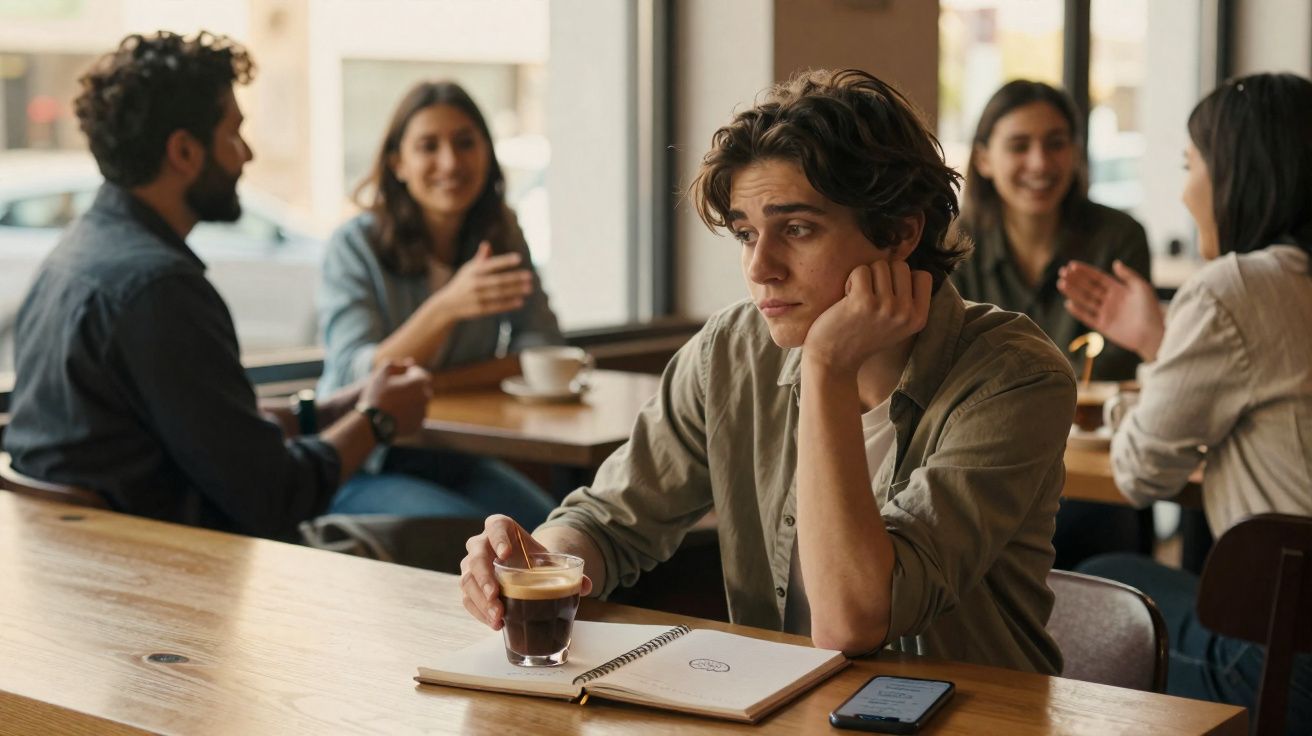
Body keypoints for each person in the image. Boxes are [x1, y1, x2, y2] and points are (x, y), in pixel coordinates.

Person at [459, 69, 1078, 674]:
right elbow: (608, 521)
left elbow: (852, 619)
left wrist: (828, 368)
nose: (760, 268)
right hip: (786, 714)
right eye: (746, 234)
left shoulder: (1014, 378)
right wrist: (541, 559)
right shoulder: (731, 348)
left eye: (798, 229)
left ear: (898, 232)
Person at [2, 31, 432, 540]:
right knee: (463, 543)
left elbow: (205, 433)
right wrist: (377, 419)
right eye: (234, 133)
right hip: (185, 577)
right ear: (184, 151)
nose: (246, 154)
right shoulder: (160, 289)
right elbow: (276, 497)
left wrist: (331, 410)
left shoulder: (76, 255)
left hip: (93, 573)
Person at [1059, 73, 1312, 732]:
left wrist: (1156, 354)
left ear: (1239, 172)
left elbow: (1141, 473)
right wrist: (1158, 340)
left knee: (1085, 589)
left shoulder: (1237, 287)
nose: (1182, 189)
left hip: (1289, 665)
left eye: (1188, 164)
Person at [316, 81, 559, 527]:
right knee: (476, 537)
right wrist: (447, 306)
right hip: (363, 464)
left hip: (457, 457)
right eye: (428, 146)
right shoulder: (354, 245)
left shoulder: (500, 233)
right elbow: (359, 376)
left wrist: (431, 385)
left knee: (556, 533)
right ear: (398, 163)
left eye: (465, 143)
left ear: (487, 154)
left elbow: (539, 351)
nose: (450, 162)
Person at [951, 80, 1153, 570]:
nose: (1041, 163)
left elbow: (1130, 379)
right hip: (983, 460)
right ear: (983, 158)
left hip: (1095, 480)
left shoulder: (1117, 238)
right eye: (1019, 145)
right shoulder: (952, 244)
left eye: (1057, 143)